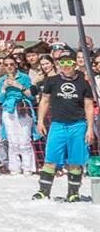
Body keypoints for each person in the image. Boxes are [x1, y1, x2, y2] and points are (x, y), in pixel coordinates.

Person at [33, 46, 96, 202]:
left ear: (75, 63)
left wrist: (89, 128)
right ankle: (43, 191)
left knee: (75, 161)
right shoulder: (52, 81)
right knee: (50, 159)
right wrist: (40, 121)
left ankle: (73, 192)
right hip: (58, 125)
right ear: (58, 64)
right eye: (62, 62)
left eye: (69, 62)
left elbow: (89, 106)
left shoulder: (83, 83)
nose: (65, 65)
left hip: (78, 125)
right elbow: (44, 101)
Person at [0, 55, 37, 176]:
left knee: (25, 139)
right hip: (8, 109)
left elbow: (31, 95)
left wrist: (19, 86)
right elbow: (0, 99)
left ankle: (28, 167)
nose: (9, 67)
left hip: (22, 108)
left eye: (11, 64)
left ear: (16, 65)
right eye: (6, 65)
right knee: (12, 140)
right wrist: (4, 88)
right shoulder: (1, 80)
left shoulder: (24, 77)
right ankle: (14, 167)